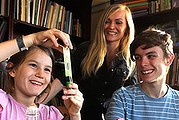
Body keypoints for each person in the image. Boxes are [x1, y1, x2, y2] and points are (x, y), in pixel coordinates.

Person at [0, 29, 84, 120]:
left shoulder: (50, 115)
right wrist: (32, 39)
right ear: (12, 70)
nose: (41, 74)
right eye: (33, 65)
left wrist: (75, 115)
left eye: (47, 69)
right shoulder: (2, 104)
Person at [72, 4, 136, 120]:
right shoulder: (84, 49)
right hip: (83, 115)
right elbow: (63, 78)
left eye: (118, 22)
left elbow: (134, 96)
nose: (111, 26)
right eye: (107, 21)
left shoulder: (132, 58)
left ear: (127, 28)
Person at [105, 27, 179, 119]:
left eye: (151, 56)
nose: (143, 63)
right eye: (138, 57)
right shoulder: (122, 97)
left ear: (169, 59)